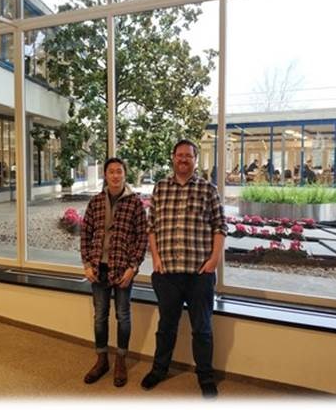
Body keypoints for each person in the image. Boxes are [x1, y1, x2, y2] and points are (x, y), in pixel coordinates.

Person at [141, 139, 227, 399]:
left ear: (195, 160)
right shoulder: (160, 188)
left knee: (202, 328)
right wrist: (155, 258)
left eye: (188, 156)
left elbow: (220, 227)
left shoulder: (207, 190)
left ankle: (205, 376)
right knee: (166, 326)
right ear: (173, 158)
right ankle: (159, 369)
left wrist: (213, 261)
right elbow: (151, 227)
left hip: (199, 274)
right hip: (167, 274)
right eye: (179, 155)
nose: (183, 159)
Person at [81, 157, 148, 387]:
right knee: (100, 316)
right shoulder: (96, 202)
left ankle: (120, 360)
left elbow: (142, 237)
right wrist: (87, 264)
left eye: (119, 171)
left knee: (123, 316)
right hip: (98, 268)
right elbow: (85, 234)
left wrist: (133, 267)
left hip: (123, 269)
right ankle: (102, 359)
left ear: (125, 175)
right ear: (105, 175)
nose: (115, 176)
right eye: (111, 172)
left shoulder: (135, 203)